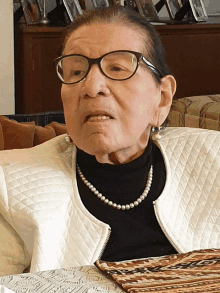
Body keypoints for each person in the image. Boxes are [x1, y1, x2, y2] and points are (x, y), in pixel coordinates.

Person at [0, 5, 219, 276]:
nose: (91, 88)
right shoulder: (9, 184)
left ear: (161, 98)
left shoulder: (213, 158)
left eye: (117, 68)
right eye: (76, 73)